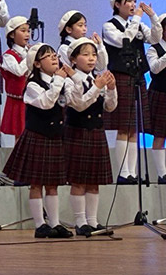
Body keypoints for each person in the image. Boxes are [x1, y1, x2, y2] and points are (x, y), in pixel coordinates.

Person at [3, 43, 73, 239]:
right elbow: (46, 102)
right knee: (36, 183)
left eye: (54, 55)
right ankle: (40, 224)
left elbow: (70, 101)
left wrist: (70, 79)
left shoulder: (61, 81)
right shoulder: (33, 85)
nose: (54, 58)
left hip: (55, 135)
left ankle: (55, 223)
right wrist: (59, 80)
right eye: (48, 56)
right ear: (37, 64)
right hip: (38, 135)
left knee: (53, 184)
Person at [102, 0, 162, 184]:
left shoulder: (136, 25)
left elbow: (155, 38)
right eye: (128, 1)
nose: (133, 4)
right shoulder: (109, 26)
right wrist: (136, 19)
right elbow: (123, 40)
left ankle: (133, 172)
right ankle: (123, 172)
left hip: (137, 76)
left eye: (134, 0)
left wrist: (152, 16)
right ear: (117, 4)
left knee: (135, 127)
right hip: (120, 76)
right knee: (123, 126)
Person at [63, 37, 117, 236]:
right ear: (73, 59)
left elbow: (110, 107)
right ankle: (80, 222)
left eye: (94, 54)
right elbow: (79, 104)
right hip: (77, 131)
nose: (92, 59)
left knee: (94, 181)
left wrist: (111, 89)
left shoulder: (97, 78)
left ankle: (93, 222)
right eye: (85, 55)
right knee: (78, 180)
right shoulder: (69, 80)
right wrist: (97, 87)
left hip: (96, 131)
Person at [0, 16, 30, 140]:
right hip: (17, 100)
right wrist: (30, 56)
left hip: (32, 99)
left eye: (28, 31)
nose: (27, 34)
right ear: (12, 35)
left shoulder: (29, 52)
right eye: (23, 31)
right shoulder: (8, 56)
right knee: (19, 134)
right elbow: (18, 71)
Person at [148, 13, 166, 184]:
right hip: (161, 93)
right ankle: (162, 173)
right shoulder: (154, 48)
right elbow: (154, 69)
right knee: (160, 134)